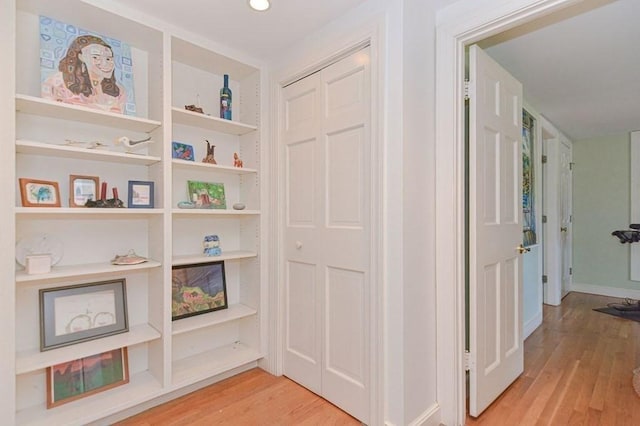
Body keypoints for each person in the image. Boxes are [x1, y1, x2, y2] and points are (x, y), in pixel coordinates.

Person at [42, 35, 127, 113]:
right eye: (96, 57)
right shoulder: (58, 83)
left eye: (108, 58)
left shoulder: (119, 91)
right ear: (81, 57)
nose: (105, 63)